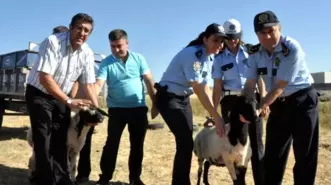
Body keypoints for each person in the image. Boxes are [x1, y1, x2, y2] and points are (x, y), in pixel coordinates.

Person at [243, 10, 319, 185]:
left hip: (303, 102)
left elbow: (279, 87)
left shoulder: (291, 49)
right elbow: (249, 84)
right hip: (278, 106)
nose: (268, 36)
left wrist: (259, 107)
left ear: (280, 28)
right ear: (256, 34)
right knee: (272, 158)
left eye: (272, 30)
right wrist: (245, 106)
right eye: (263, 32)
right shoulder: (254, 53)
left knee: (305, 157)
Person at [25, 13, 99, 185]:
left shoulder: (87, 53)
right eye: (79, 28)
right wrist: (68, 101)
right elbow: (45, 78)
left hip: (61, 95)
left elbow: (88, 84)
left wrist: (95, 110)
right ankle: (43, 179)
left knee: (60, 138)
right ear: (71, 27)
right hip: (39, 92)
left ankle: (62, 179)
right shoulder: (52, 42)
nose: (82, 33)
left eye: (87, 30)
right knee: (43, 135)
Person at [154, 23, 227, 185]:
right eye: (215, 40)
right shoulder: (192, 54)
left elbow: (206, 87)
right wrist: (217, 116)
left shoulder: (208, 57)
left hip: (183, 99)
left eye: (222, 42)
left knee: (187, 143)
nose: (219, 45)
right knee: (185, 141)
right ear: (205, 39)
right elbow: (199, 88)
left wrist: (212, 113)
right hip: (169, 98)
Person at [94, 29, 157, 185]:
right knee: (111, 144)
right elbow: (99, 84)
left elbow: (149, 81)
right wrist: (92, 98)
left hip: (138, 109)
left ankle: (135, 178)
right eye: (112, 46)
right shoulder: (106, 62)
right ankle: (105, 177)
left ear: (127, 43)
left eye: (119, 46)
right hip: (116, 110)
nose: (116, 50)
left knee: (137, 145)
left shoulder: (139, 59)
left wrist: (156, 103)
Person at [212, 18, 265, 185]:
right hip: (230, 102)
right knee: (232, 146)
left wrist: (263, 102)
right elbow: (217, 86)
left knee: (256, 143)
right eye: (228, 37)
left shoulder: (251, 52)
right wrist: (214, 113)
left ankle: (261, 181)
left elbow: (260, 78)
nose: (232, 40)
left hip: (251, 100)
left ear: (240, 35)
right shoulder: (219, 58)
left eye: (235, 36)